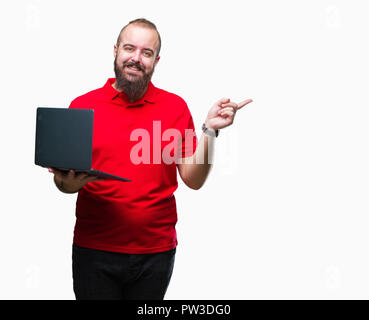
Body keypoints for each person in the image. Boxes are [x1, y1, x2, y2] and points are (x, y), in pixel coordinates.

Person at [48, 18, 253, 300]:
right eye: (129, 48)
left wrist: (210, 131)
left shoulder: (175, 107)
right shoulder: (83, 106)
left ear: (156, 60)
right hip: (94, 250)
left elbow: (193, 180)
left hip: (156, 253)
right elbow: (64, 185)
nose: (136, 58)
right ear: (116, 51)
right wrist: (68, 183)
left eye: (146, 52)